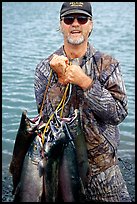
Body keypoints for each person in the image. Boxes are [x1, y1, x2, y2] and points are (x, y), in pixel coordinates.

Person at [34, 2, 131, 202]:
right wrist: (61, 81)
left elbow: (118, 114)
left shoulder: (108, 65)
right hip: (59, 167)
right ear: (61, 25)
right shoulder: (44, 68)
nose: (75, 24)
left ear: (91, 24)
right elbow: (45, 122)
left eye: (82, 19)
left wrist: (86, 83)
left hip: (103, 169)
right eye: (69, 19)